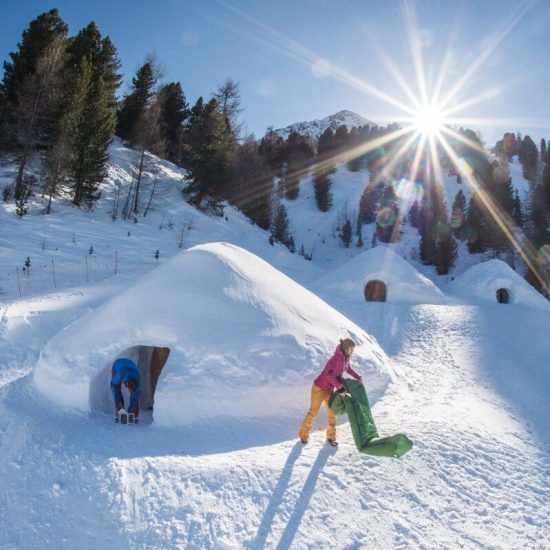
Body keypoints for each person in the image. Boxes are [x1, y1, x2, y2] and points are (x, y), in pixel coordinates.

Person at [298, 338, 362, 447]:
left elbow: (348, 368)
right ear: (346, 348)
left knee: (331, 413)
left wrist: (357, 376)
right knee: (313, 412)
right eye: (351, 349)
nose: (352, 351)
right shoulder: (337, 359)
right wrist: (340, 388)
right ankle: (303, 435)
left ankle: (331, 438)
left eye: (353, 349)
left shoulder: (345, 359)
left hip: (329, 389)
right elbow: (329, 375)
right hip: (319, 388)